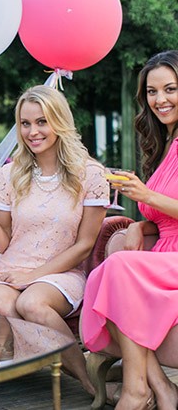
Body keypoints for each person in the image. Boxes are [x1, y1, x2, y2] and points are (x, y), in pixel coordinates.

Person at [0, 85, 108, 396]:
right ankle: (56, 366)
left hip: (61, 272)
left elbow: (84, 245)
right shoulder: (10, 174)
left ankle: (88, 383)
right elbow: (4, 245)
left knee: (32, 303)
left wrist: (33, 276)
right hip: (12, 269)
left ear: (59, 121)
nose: (32, 132)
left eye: (42, 122)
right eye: (25, 123)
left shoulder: (90, 174)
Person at [81, 50, 178, 410]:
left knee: (118, 269)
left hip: (172, 263)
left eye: (170, 89)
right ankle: (159, 388)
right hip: (163, 257)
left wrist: (145, 195)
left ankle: (138, 392)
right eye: (152, 92)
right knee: (105, 277)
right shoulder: (164, 144)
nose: (160, 99)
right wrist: (141, 223)